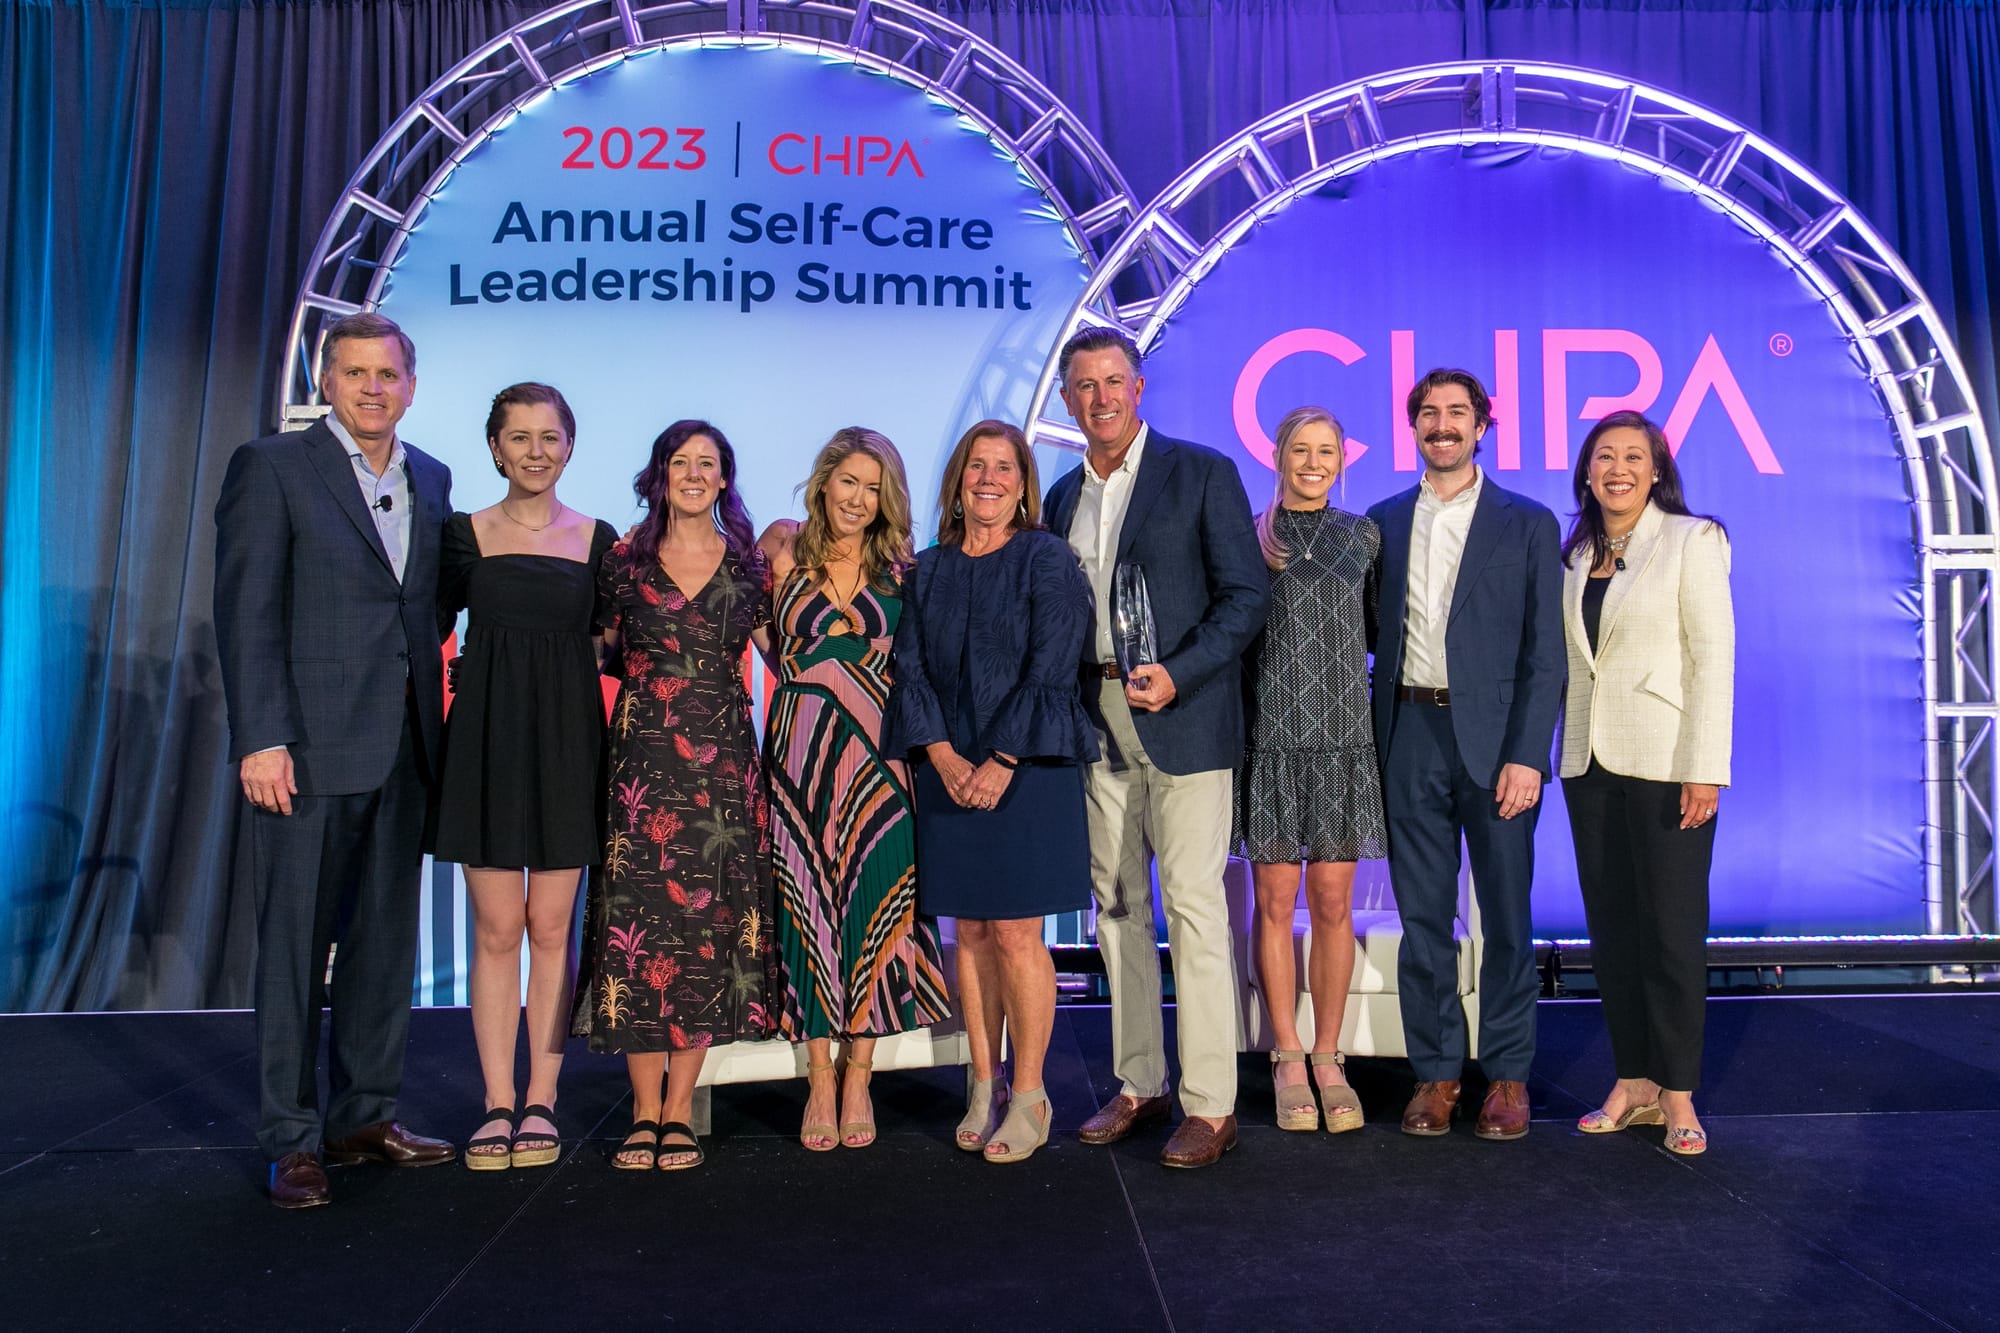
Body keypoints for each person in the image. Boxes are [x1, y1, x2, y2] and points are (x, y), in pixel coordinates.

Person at [213, 311, 456, 1208]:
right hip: (305, 752)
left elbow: (426, 607)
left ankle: (363, 1116)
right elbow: (245, 610)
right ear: (327, 381)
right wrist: (261, 736)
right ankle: (291, 1137)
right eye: (355, 373)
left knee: (383, 944)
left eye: (387, 374)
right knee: (293, 948)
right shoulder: (272, 466)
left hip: (403, 748)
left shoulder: (431, 475)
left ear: (411, 385)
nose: (372, 389)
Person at [1043, 327, 1270, 1169]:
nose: (1100, 398)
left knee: (1195, 906)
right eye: (1085, 385)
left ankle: (1211, 1104)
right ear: (1067, 400)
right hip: (1095, 715)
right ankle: (1141, 1082)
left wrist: (1180, 672)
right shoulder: (1060, 497)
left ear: (1138, 389)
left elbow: (1245, 598)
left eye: (1114, 381)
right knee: (1115, 906)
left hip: (1188, 713)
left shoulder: (1201, 471)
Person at [883, 420, 1096, 1164]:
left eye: (1005, 467)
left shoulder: (1047, 557)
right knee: (968, 932)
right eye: (977, 465)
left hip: (1028, 765)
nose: (989, 479)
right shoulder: (929, 569)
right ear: (958, 479)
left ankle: (1030, 1094)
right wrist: (943, 757)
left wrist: (1002, 759)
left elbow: (1055, 661)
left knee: (1014, 933)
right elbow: (909, 669)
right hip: (948, 766)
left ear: (1023, 483)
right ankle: (984, 1082)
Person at [1366, 367, 1564, 1142]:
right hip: (1408, 734)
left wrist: (1528, 754)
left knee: (1508, 916)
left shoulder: (1528, 523)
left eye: (1456, 412)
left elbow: (1546, 653)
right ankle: (1437, 1072)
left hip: (1498, 744)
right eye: (1428, 412)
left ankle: (1508, 1074)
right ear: (1413, 425)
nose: (1441, 424)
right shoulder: (1381, 521)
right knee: (1423, 919)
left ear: (1483, 424)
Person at [575, 420, 776, 1171]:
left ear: (725, 477)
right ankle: (641, 1110)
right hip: (641, 766)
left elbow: (787, 655)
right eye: (680, 462)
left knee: (703, 929)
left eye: (707, 463)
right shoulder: (622, 562)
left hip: (722, 768)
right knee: (641, 926)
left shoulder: (751, 566)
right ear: (659, 474)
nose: (694, 474)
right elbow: (590, 653)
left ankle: (679, 1109)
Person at [431, 383, 617, 1171]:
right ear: (495, 447)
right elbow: (425, 629)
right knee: (498, 929)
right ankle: (496, 1101)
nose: (535, 451)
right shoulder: (461, 536)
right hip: (487, 746)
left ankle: (541, 1097)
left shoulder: (600, 540)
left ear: (569, 447)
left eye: (550, 437)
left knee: (551, 927)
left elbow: (616, 645)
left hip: (570, 745)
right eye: (520, 437)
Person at [759, 428, 950, 1152]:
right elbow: (766, 642)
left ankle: (859, 1073)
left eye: (874, 488)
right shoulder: (781, 548)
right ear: (824, 482)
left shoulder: (903, 569)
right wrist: (807, 684)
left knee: (878, 894)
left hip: (880, 755)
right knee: (802, 898)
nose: (859, 499)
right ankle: (818, 1075)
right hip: (800, 751)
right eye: (849, 482)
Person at [1559, 411, 1733, 1155]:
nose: (1619, 469)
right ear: (1587, 471)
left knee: (1671, 933)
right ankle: (1633, 1082)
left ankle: (1679, 1092)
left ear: (1656, 469)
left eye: (1634, 456)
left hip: (1668, 764)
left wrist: (1705, 767)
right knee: (1614, 933)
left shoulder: (1694, 539)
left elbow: (1713, 657)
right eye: (1605, 456)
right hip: (1589, 764)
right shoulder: (1576, 555)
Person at [1239, 406, 1386, 1133]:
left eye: (1326, 450)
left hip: (1343, 744)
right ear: (1278, 455)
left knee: (1332, 905)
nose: (1313, 462)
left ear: (1341, 459)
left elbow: (1381, 634)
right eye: (1301, 449)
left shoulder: (1363, 537)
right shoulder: (1250, 536)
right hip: (1270, 741)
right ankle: (1287, 1055)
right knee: (1273, 905)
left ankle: (1329, 1055)